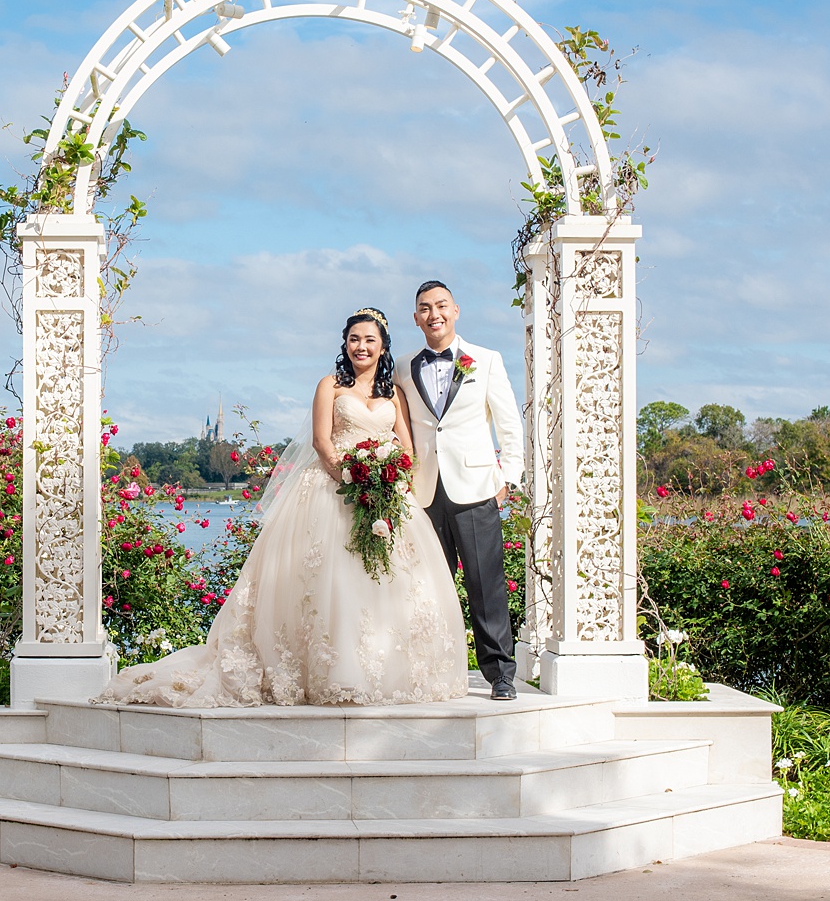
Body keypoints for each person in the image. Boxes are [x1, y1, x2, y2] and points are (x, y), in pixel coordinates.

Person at [96, 308, 469, 707]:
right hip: (334, 489)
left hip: (385, 493)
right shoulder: (330, 385)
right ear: (345, 344)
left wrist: (389, 480)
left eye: (369, 340)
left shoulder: (392, 393)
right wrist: (351, 477)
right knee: (327, 583)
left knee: (390, 584)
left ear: (382, 346)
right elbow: (323, 441)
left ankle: (386, 670)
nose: (361, 346)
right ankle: (326, 672)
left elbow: (407, 447)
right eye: (354, 339)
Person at [398, 281, 525, 701]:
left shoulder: (485, 360)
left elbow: (508, 423)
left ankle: (500, 674)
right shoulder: (402, 366)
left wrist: (509, 477)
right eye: (424, 308)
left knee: (485, 583)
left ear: (455, 311)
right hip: (423, 491)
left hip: (475, 487)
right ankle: (429, 668)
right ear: (415, 318)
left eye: (440, 306)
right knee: (424, 586)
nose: (433, 314)